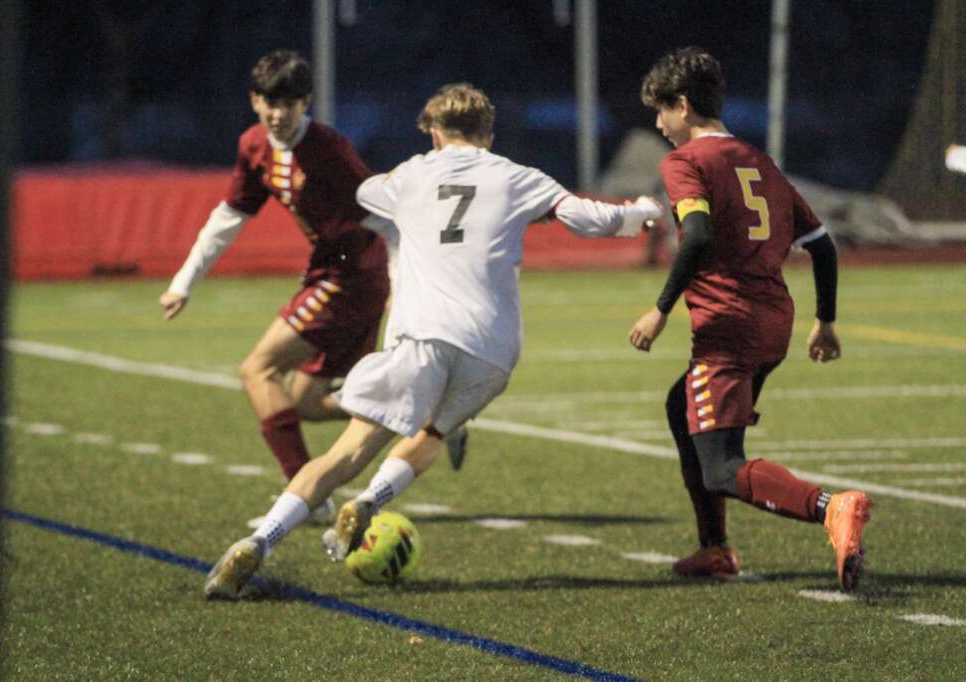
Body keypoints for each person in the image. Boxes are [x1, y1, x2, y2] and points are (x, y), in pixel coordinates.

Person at [203, 82, 663, 599]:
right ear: (489, 134)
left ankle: (261, 540)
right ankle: (371, 502)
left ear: (434, 134)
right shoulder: (516, 176)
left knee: (344, 455)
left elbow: (363, 195)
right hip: (492, 349)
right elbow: (585, 216)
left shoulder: (410, 175)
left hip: (420, 337)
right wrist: (642, 212)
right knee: (432, 433)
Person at [158, 50, 466, 521]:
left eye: (289, 104)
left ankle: (307, 500)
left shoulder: (329, 151)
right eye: (268, 102)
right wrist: (184, 282)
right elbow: (229, 217)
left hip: (351, 275)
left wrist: (407, 293)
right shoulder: (254, 145)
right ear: (254, 101)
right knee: (306, 403)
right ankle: (429, 416)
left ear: (307, 103)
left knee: (257, 370)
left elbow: (390, 222)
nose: (278, 114)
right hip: (330, 272)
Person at [628, 47, 871, 591]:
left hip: (729, 328)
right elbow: (823, 245)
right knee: (681, 407)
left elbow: (697, 236)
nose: (658, 124)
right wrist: (824, 321)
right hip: (773, 322)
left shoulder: (685, 162)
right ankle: (714, 548)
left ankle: (831, 507)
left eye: (661, 111)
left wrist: (660, 308)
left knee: (721, 464)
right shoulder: (758, 159)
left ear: (683, 106)